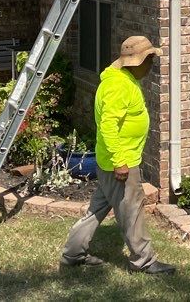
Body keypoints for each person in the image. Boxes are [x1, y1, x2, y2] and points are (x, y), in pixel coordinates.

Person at [61, 36, 175, 274]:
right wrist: (120, 162)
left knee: (96, 210)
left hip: (110, 160)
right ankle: (144, 261)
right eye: (149, 60)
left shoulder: (121, 79)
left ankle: (73, 253)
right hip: (120, 163)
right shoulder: (119, 86)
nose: (151, 66)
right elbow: (108, 126)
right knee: (132, 212)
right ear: (137, 61)